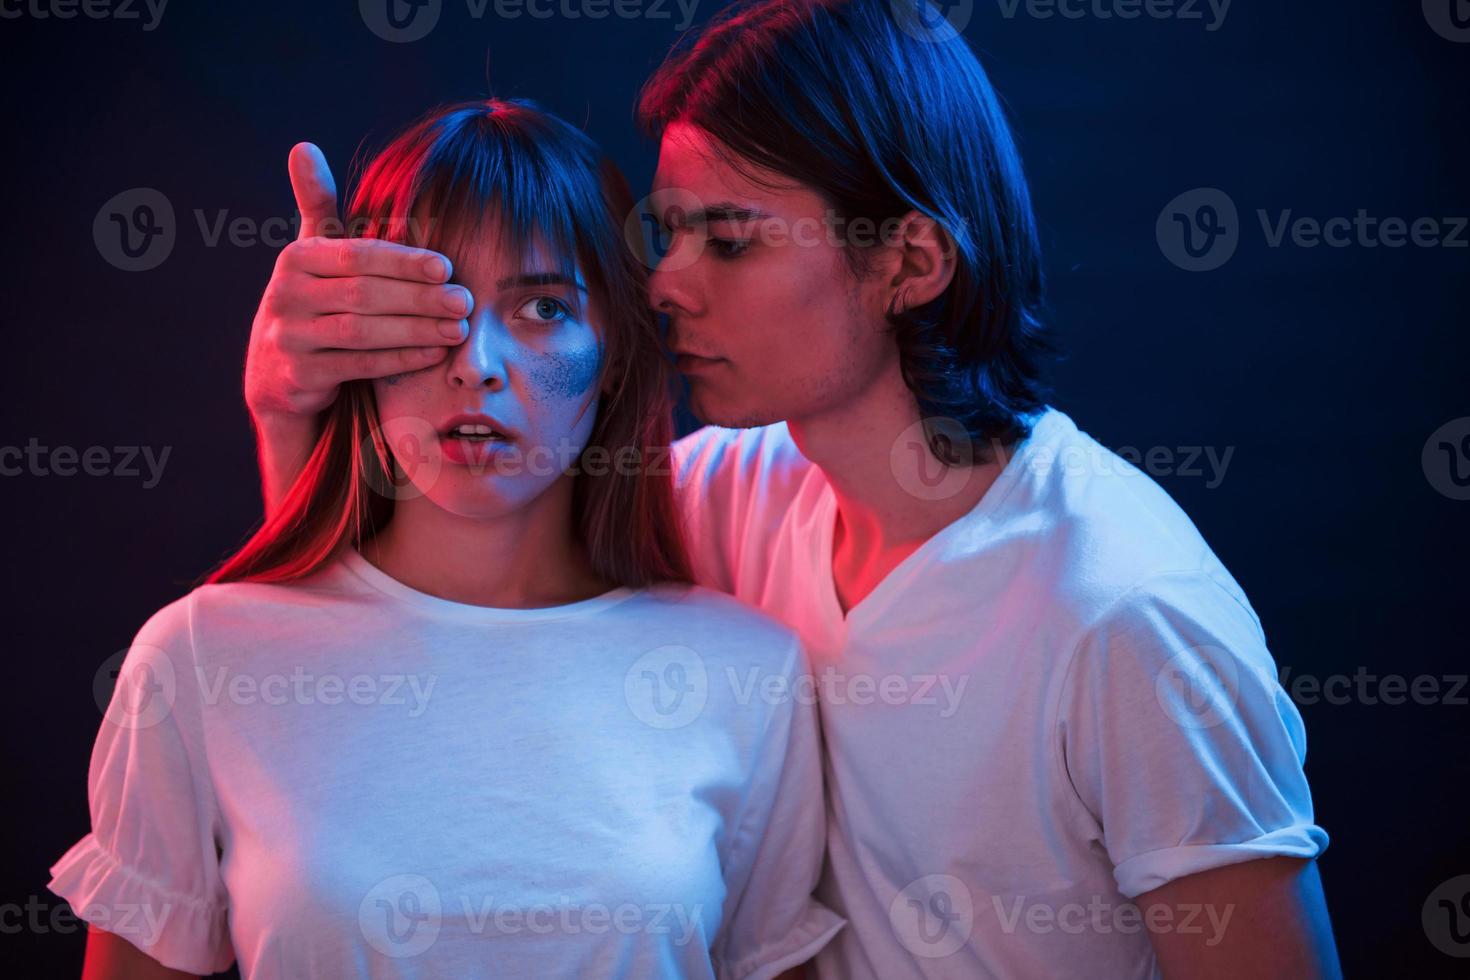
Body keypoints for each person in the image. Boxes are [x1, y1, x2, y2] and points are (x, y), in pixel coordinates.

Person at [241, 1, 1343, 976]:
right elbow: (421, 602)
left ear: (908, 262)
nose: (663, 282)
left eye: (729, 239)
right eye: (665, 232)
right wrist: (295, 404)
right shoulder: (737, 489)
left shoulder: (1128, 613)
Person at [47, 98, 842, 979]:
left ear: (613, 353)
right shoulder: (199, 658)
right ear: (351, 329)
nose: (478, 362)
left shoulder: (748, 674)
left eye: (543, 306)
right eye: (429, 304)